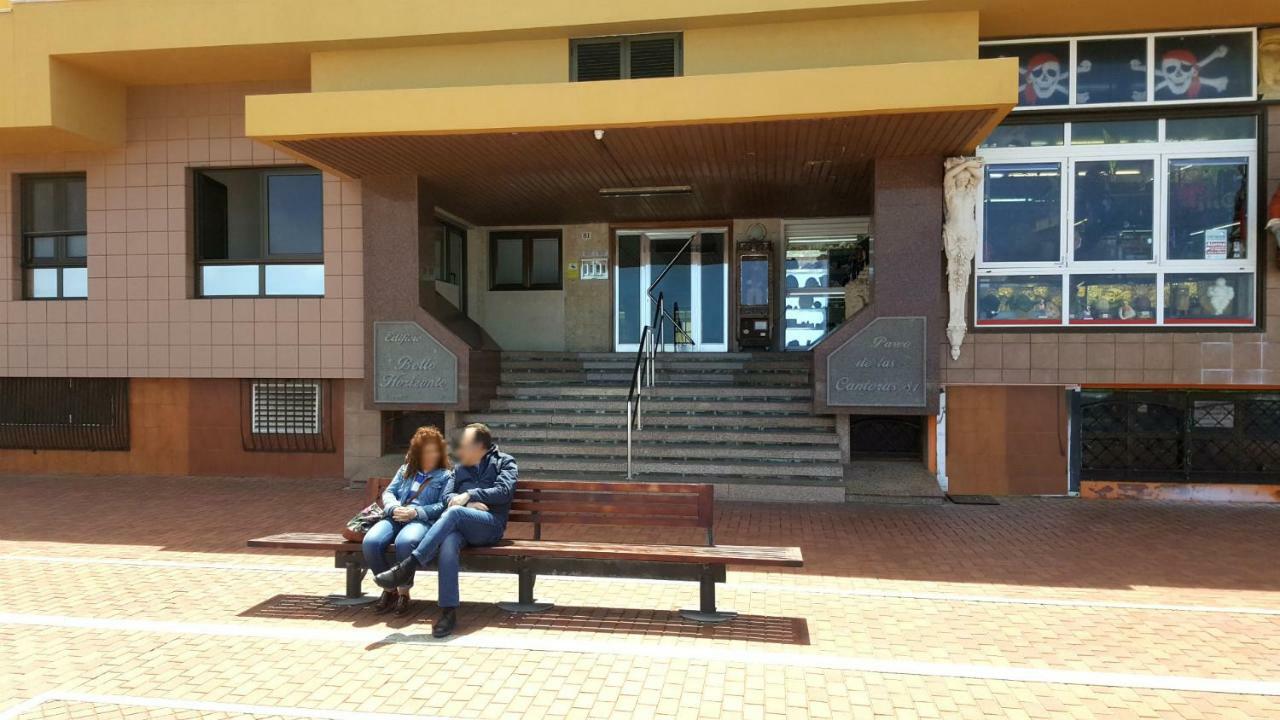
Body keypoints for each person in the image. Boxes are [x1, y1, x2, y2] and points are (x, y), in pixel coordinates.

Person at [374, 422, 517, 638]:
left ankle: (408, 565)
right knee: (449, 543)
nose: (459, 449)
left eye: (465, 444)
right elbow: (447, 497)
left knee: (453, 514)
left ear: (479, 446)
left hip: (490, 525)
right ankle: (448, 611)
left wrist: (470, 495)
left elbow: (504, 491)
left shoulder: (504, 462)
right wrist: (465, 504)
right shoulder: (460, 468)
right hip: (461, 523)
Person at [361, 426, 453, 616]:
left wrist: (415, 513)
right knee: (371, 541)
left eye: (435, 450)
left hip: (421, 520)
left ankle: (404, 593)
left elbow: (443, 505)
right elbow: (389, 492)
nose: (432, 454)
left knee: (405, 542)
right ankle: (389, 590)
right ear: (418, 452)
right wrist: (394, 508)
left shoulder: (445, 476)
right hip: (395, 516)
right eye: (427, 451)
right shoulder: (406, 470)